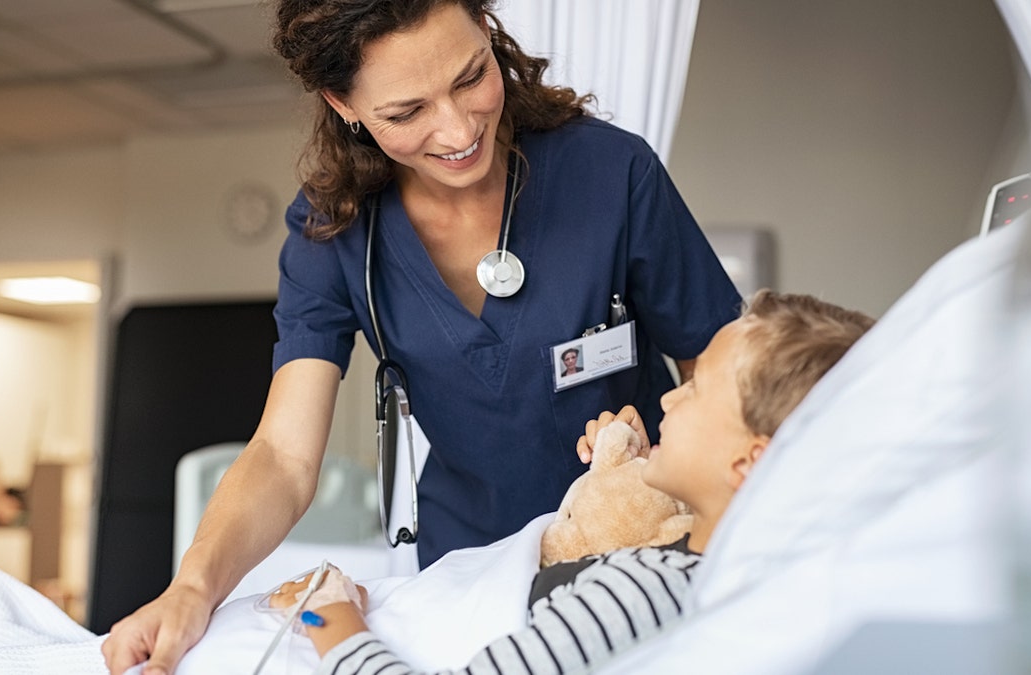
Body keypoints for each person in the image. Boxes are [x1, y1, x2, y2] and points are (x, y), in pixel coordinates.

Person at [103, 1, 739, 672]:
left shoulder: (611, 175)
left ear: (489, 33)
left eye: (471, 76)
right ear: (343, 103)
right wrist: (193, 588)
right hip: (469, 573)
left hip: (642, 548)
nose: (460, 128)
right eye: (406, 113)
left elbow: (729, 378)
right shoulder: (334, 230)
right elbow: (284, 456)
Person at [268, 290, 876, 674]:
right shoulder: (711, 569)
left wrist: (331, 618)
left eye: (695, 388)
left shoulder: (648, 591)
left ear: (749, 463)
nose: (669, 399)